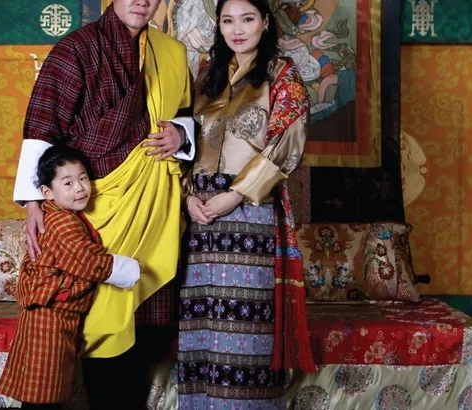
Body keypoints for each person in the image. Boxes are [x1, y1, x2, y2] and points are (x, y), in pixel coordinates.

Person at [11, 0, 195, 407]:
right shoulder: (76, 48)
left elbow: (187, 113)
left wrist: (181, 135)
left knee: (145, 319)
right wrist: (34, 201)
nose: (141, 1)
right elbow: (43, 123)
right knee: (93, 311)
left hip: (153, 207)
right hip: (94, 207)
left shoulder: (172, 52)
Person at [177, 0, 317, 407]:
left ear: (265, 22)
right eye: (228, 20)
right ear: (219, 25)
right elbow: (185, 143)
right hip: (200, 221)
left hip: (250, 213)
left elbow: (287, 143)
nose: (237, 29)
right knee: (202, 328)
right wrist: (187, 197)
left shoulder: (282, 74)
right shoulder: (205, 76)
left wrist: (236, 194)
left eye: (247, 19)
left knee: (244, 329)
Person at [0, 145, 141, 409]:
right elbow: (89, 261)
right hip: (48, 318)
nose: (80, 188)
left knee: (43, 391)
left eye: (83, 178)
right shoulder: (61, 222)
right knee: (42, 394)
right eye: (68, 183)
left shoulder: (62, 215)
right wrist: (132, 269)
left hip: (53, 315)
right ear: (47, 193)